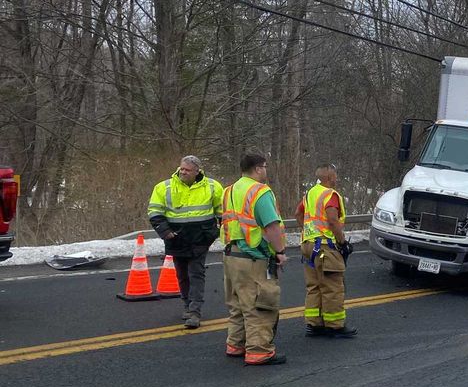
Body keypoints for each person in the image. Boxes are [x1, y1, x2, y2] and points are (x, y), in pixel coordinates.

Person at [220, 153, 288, 365]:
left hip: (231, 255)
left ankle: (235, 344)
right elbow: (271, 226)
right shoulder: (260, 191)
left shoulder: (229, 191)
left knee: (238, 304)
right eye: (265, 167)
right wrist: (280, 251)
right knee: (259, 305)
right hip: (253, 257)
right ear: (258, 169)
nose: (266, 171)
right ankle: (259, 351)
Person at [147, 155, 223, 329]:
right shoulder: (164, 187)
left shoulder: (212, 186)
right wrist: (165, 232)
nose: (183, 172)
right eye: (182, 168)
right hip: (176, 238)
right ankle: (187, 305)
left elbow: (222, 211)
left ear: (197, 171)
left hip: (201, 238)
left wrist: (215, 232)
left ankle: (195, 311)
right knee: (181, 274)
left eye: (187, 170)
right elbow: (154, 211)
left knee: (196, 272)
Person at [297, 164, 356, 339]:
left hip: (308, 245)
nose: (336, 179)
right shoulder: (330, 195)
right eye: (335, 176)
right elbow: (332, 220)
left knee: (314, 287)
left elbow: (297, 214)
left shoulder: (310, 194)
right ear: (330, 177)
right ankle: (334, 326)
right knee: (332, 287)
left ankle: (314, 325)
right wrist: (342, 242)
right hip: (326, 247)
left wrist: (310, 232)